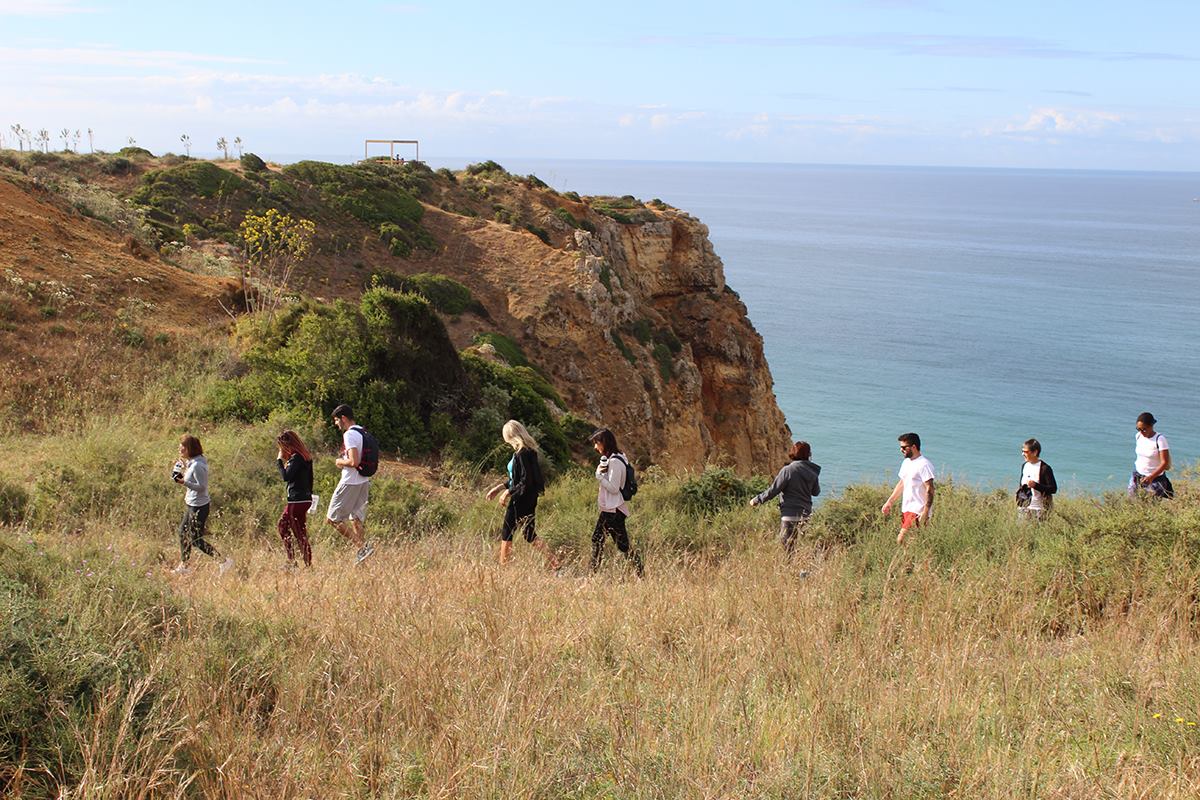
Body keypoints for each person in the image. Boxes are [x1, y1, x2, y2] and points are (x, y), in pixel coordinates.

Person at [484, 420, 561, 568]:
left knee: (507, 531)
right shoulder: (528, 452)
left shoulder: (522, 454)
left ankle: (503, 567)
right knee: (529, 534)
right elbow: (517, 479)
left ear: (510, 435)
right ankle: (556, 564)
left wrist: (508, 492)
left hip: (521, 498)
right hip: (529, 498)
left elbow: (525, 481)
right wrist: (499, 488)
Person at [171, 434, 232, 575]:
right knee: (182, 532)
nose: (180, 448)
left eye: (183, 446)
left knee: (196, 540)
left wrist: (183, 482)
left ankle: (224, 562)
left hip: (199, 506)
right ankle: (184, 565)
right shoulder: (193, 462)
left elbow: (202, 486)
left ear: (189, 448)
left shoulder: (198, 465)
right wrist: (182, 469)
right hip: (192, 504)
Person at [587, 429, 644, 575]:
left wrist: (599, 476)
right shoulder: (618, 457)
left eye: (597, 443)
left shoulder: (615, 462)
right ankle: (640, 573)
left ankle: (591, 575)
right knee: (619, 544)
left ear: (604, 443)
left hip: (613, 509)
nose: (595, 447)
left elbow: (613, 488)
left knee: (601, 540)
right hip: (613, 509)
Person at [749, 440, 821, 555]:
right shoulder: (812, 472)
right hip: (805, 516)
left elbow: (774, 490)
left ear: (793, 452)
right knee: (801, 550)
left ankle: (788, 567)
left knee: (787, 551)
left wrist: (757, 500)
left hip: (789, 514)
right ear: (809, 454)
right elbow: (816, 492)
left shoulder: (787, 470)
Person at [326, 404, 374, 563]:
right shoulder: (363, 432)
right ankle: (362, 560)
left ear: (343, 418)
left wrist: (339, 461)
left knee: (333, 519)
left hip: (350, 481)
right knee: (356, 519)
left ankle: (362, 547)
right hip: (363, 480)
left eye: (336, 420)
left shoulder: (349, 435)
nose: (336, 423)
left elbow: (354, 461)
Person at [881, 432, 935, 544]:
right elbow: (902, 483)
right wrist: (889, 502)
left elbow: (930, 489)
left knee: (901, 539)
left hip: (918, 510)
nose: (901, 450)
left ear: (914, 447)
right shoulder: (906, 463)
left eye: (904, 447)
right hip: (907, 508)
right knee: (913, 542)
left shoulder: (924, 465)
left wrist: (925, 512)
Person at [276, 430, 314, 569]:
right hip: (304, 499)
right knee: (297, 530)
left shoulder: (296, 458)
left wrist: (279, 461)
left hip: (296, 501)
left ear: (287, 445)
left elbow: (286, 476)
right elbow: (310, 479)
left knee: (291, 530)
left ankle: (295, 562)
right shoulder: (305, 457)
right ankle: (303, 563)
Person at [1129, 412, 1174, 499]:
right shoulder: (1138, 436)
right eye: (1138, 429)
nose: (1141, 432)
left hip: (1155, 479)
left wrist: (1151, 477)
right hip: (1137, 475)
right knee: (1132, 501)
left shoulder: (1160, 439)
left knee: (1150, 504)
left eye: (1144, 429)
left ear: (1151, 426)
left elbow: (1164, 462)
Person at [1016, 438, 1057, 521]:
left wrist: (1036, 485)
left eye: (1025, 452)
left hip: (1039, 510)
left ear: (1035, 452)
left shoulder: (1045, 468)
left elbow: (1053, 489)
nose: (1022, 454)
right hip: (1024, 508)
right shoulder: (1024, 466)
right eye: (1022, 451)